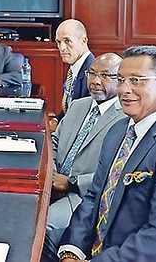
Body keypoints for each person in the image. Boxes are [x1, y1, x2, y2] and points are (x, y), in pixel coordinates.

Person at [51, 45, 156, 262]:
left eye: (136, 80)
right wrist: (71, 251)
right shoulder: (119, 131)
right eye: (120, 80)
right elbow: (94, 198)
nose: (123, 89)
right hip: (106, 248)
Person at [43, 53, 125, 260]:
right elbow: (52, 143)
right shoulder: (78, 105)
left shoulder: (125, 117)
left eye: (106, 75)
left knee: (42, 225)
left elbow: (119, 170)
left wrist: (70, 183)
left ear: (120, 80)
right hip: (51, 184)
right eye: (92, 74)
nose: (96, 81)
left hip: (83, 196)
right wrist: (52, 175)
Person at [50, 19, 95, 131]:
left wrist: (58, 127)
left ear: (83, 40)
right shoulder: (74, 67)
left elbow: (84, 120)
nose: (62, 48)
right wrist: (56, 119)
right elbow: (70, 108)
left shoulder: (92, 73)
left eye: (67, 41)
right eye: (59, 42)